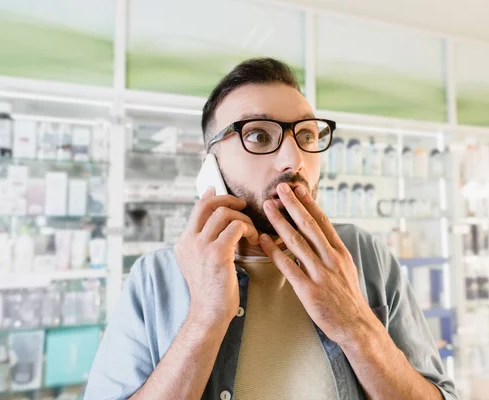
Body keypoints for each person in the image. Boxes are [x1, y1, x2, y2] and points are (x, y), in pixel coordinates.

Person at [85, 58, 457, 400]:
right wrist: (205, 317)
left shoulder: (363, 255)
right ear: (210, 166)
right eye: (260, 136)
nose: (294, 160)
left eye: (308, 136)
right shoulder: (156, 277)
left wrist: (356, 326)